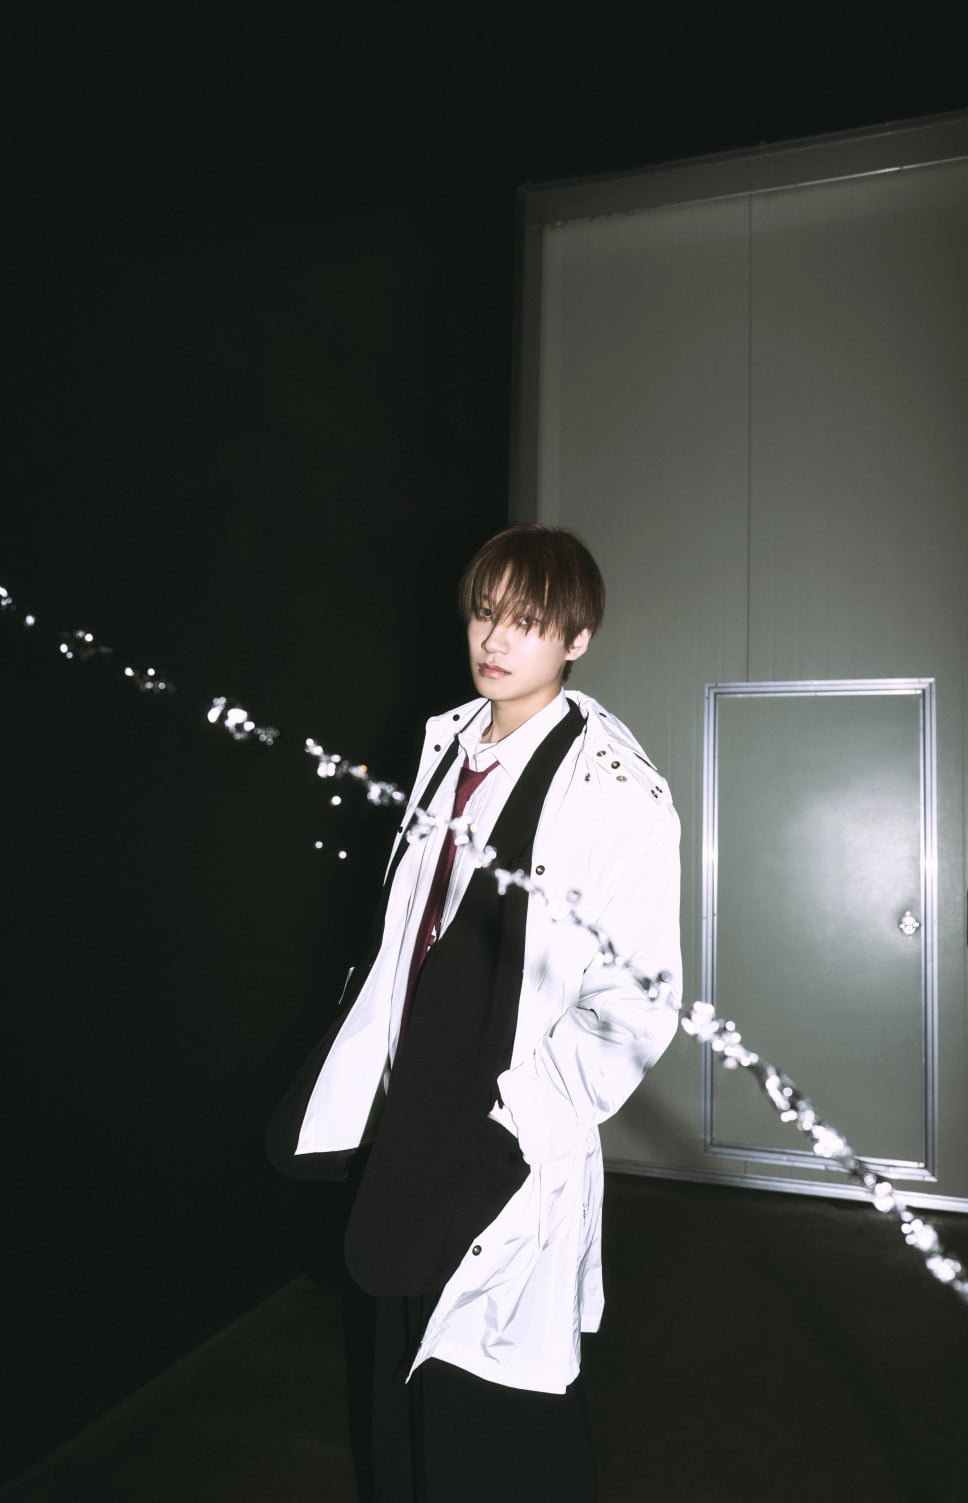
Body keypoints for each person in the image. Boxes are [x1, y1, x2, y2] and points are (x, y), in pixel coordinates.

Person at [269, 523, 682, 1501]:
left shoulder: (614, 788)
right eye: (486, 613)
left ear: (576, 639)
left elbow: (637, 1004)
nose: (495, 638)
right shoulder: (450, 747)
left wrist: (515, 1117)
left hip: (500, 1129)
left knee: (491, 1408)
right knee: (397, 1366)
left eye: (527, 622)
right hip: (409, 1117)